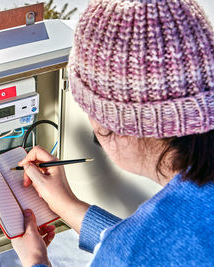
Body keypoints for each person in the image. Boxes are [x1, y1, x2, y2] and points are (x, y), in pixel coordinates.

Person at [11, 0, 214, 266]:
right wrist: (68, 205)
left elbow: (140, 253)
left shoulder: (128, 254)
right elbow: (163, 247)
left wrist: (35, 259)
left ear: (120, 127)